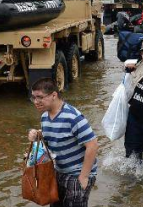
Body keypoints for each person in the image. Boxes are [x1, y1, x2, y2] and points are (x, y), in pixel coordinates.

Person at [27, 78, 99, 207]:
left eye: (40, 97)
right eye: (33, 98)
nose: (36, 102)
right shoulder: (45, 116)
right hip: (58, 171)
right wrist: (38, 135)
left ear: (54, 95)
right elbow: (52, 141)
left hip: (77, 174)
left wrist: (84, 177)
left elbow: (92, 145)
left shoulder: (73, 117)